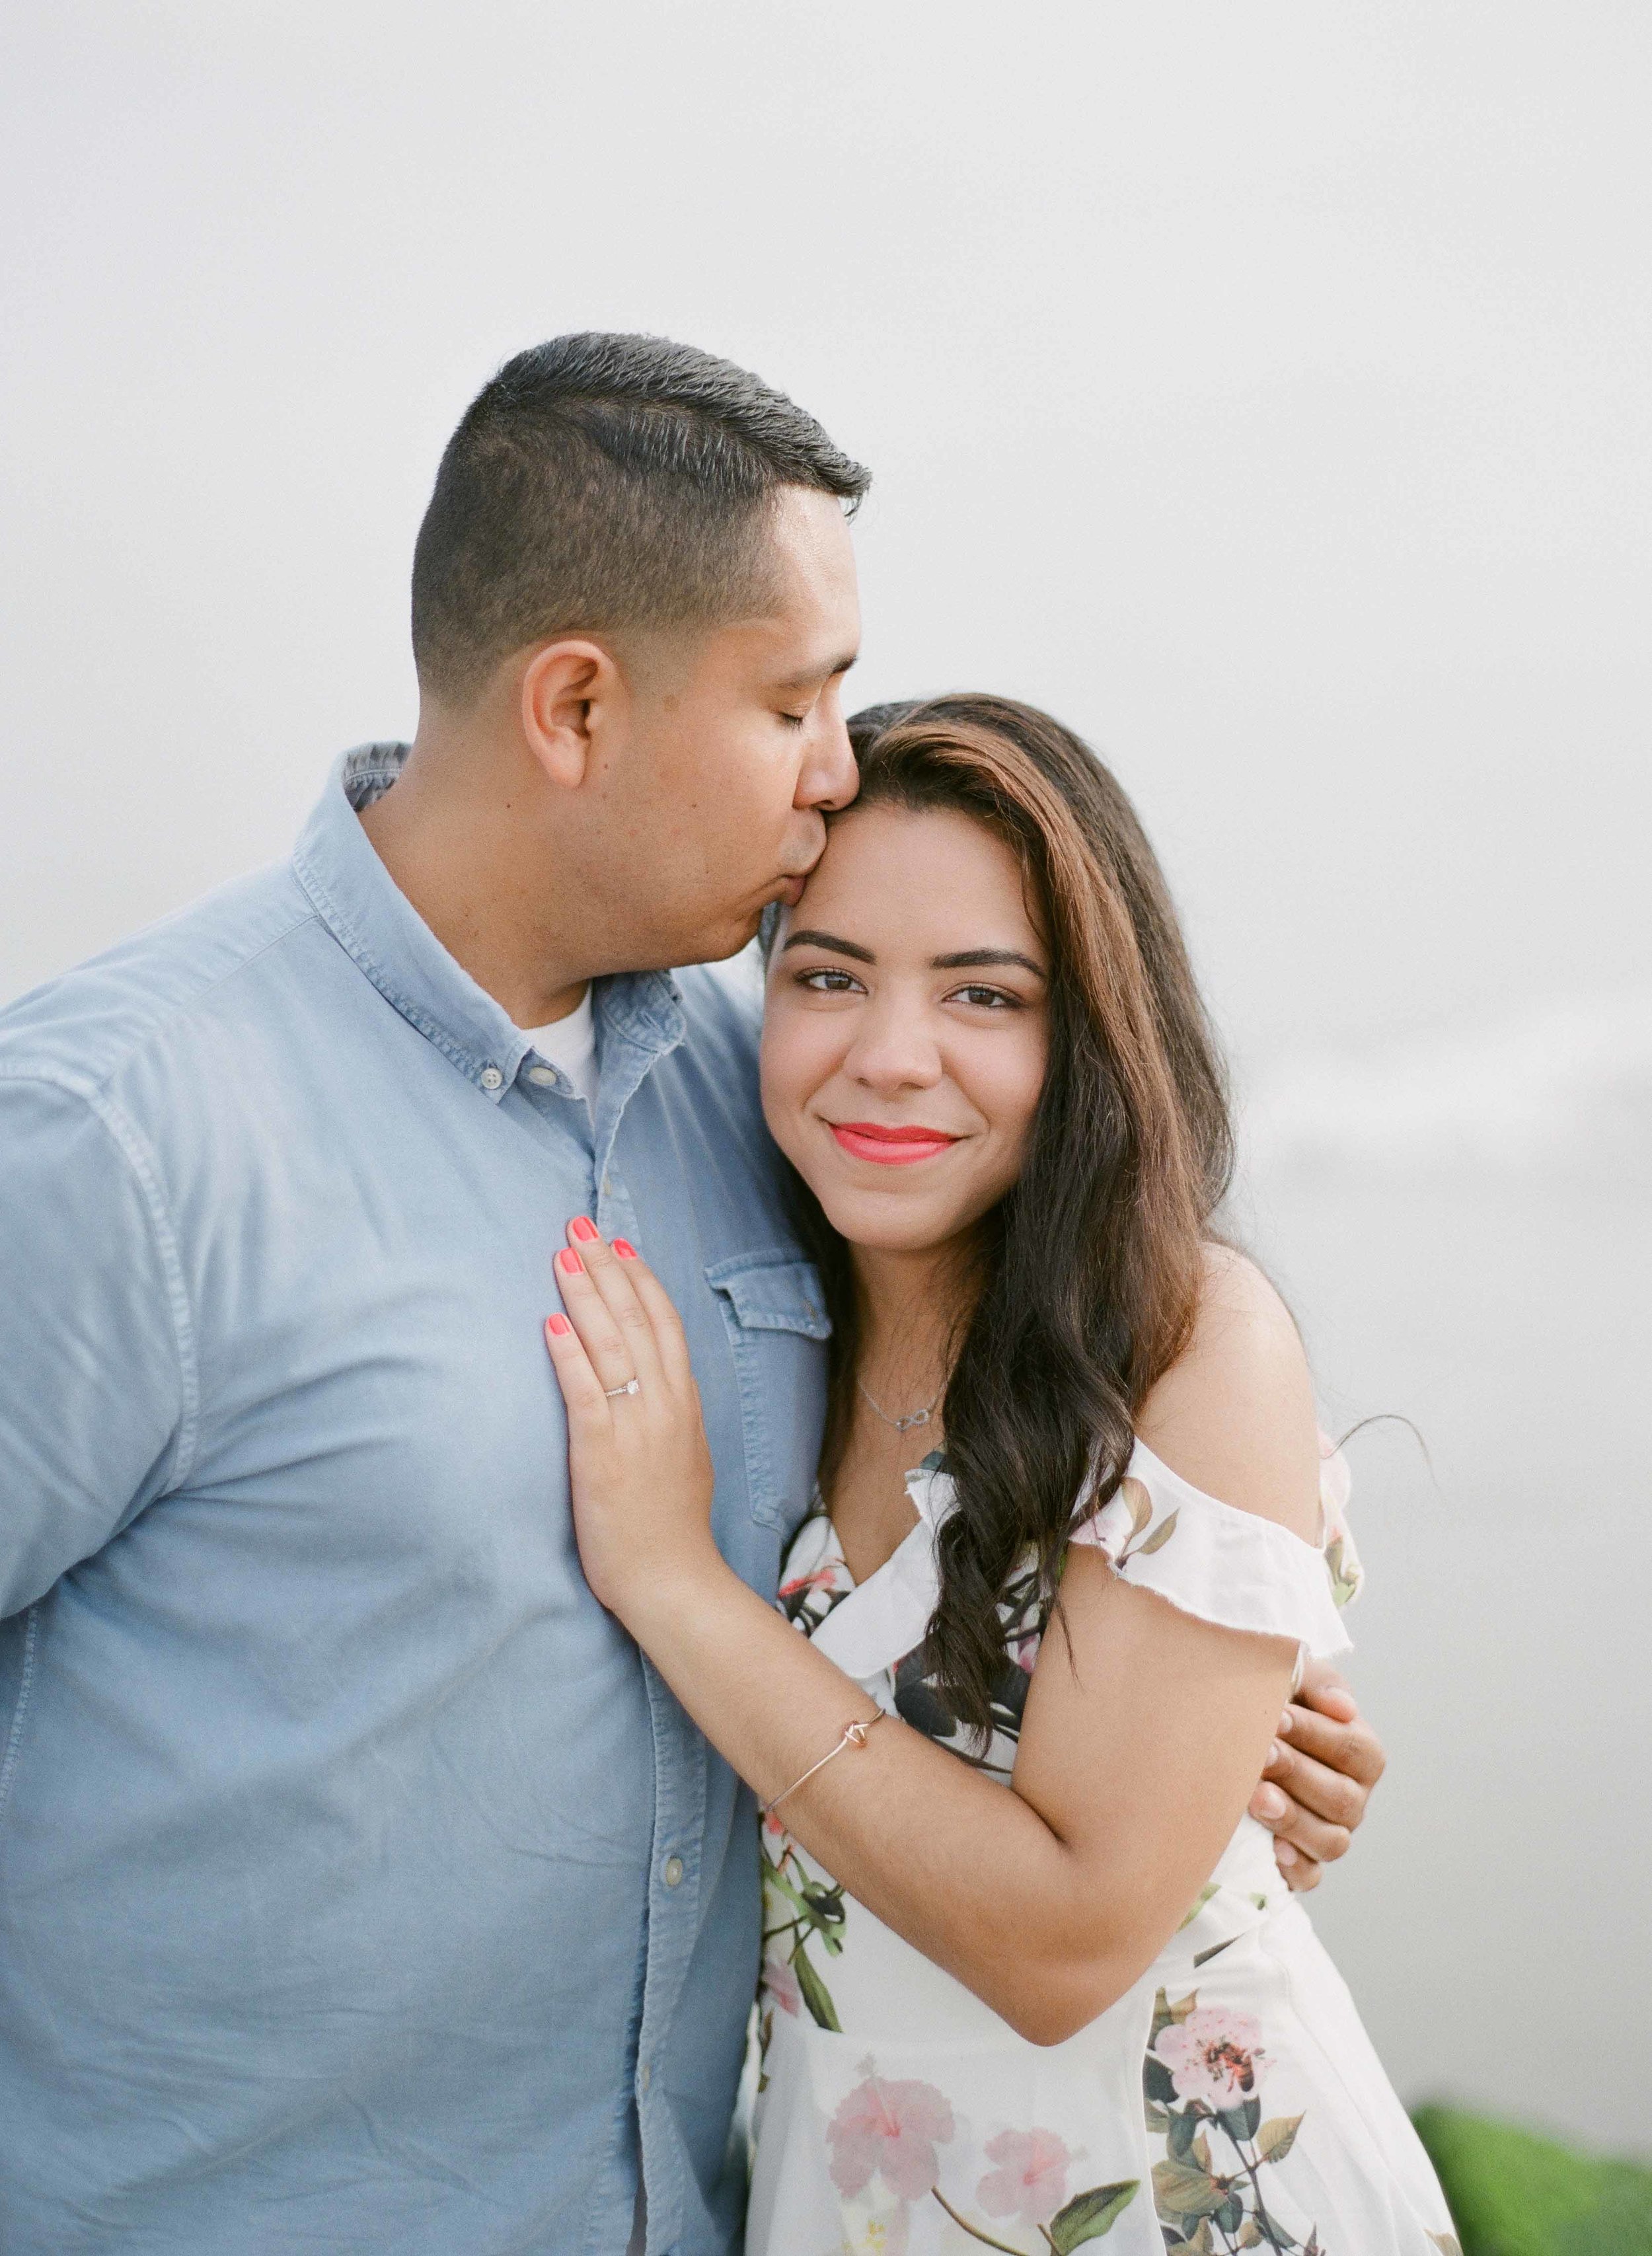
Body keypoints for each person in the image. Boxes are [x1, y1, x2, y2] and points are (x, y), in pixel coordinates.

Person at [0, 340, 1382, 2255]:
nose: (836, 769)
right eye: (796, 702)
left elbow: (1019, 1478)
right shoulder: (114, 1139)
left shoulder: (779, 1103)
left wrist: (1206, 1729)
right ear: (573, 703)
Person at [541, 695, 1456, 2255]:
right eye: (826, 977)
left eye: (984, 994)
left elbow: (1060, 1948)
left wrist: (671, 1581)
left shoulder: (1184, 1338)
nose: (890, 1058)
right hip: (858, 2190)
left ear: (1092, 1031)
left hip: (1180, 2205)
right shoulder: (767, 1323)